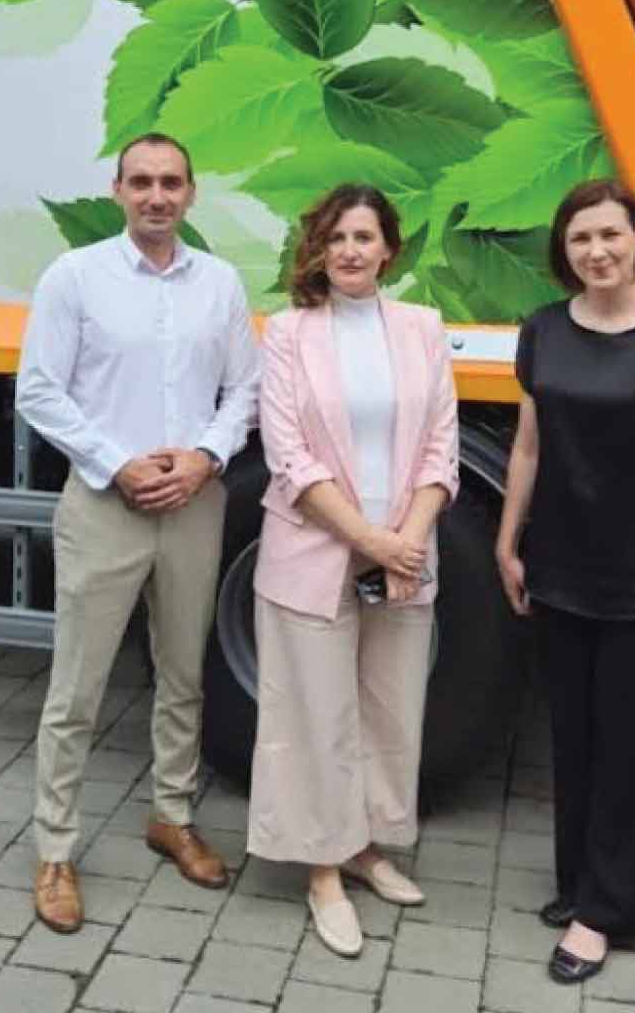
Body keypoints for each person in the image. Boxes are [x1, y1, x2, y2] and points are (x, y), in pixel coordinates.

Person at [15, 132, 260, 934]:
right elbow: (39, 391)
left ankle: (172, 816)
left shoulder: (219, 283)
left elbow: (245, 389)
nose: (158, 196)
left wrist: (204, 458)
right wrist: (117, 464)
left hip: (193, 502)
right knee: (76, 690)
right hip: (105, 504)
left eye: (172, 183)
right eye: (142, 182)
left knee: (183, 673)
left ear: (192, 194)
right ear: (118, 191)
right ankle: (56, 851)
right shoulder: (75, 277)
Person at [494, 179, 635, 983]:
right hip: (560, 567)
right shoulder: (544, 330)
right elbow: (529, 447)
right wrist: (507, 542)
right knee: (577, 740)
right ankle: (583, 883)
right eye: (580, 239)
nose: (596, 252)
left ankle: (608, 913)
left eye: (609, 235)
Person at [247, 184, 460, 958]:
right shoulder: (288, 334)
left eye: (364, 237)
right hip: (314, 552)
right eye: (336, 237)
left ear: (388, 250)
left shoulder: (422, 329)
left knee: (388, 709)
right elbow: (290, 459)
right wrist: (372, 540)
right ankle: (322, 869)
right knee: (316, 715)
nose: (349, 251)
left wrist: (407, 540)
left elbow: (441, 446)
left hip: (404, 551)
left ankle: (366, 845)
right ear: (319, 248)